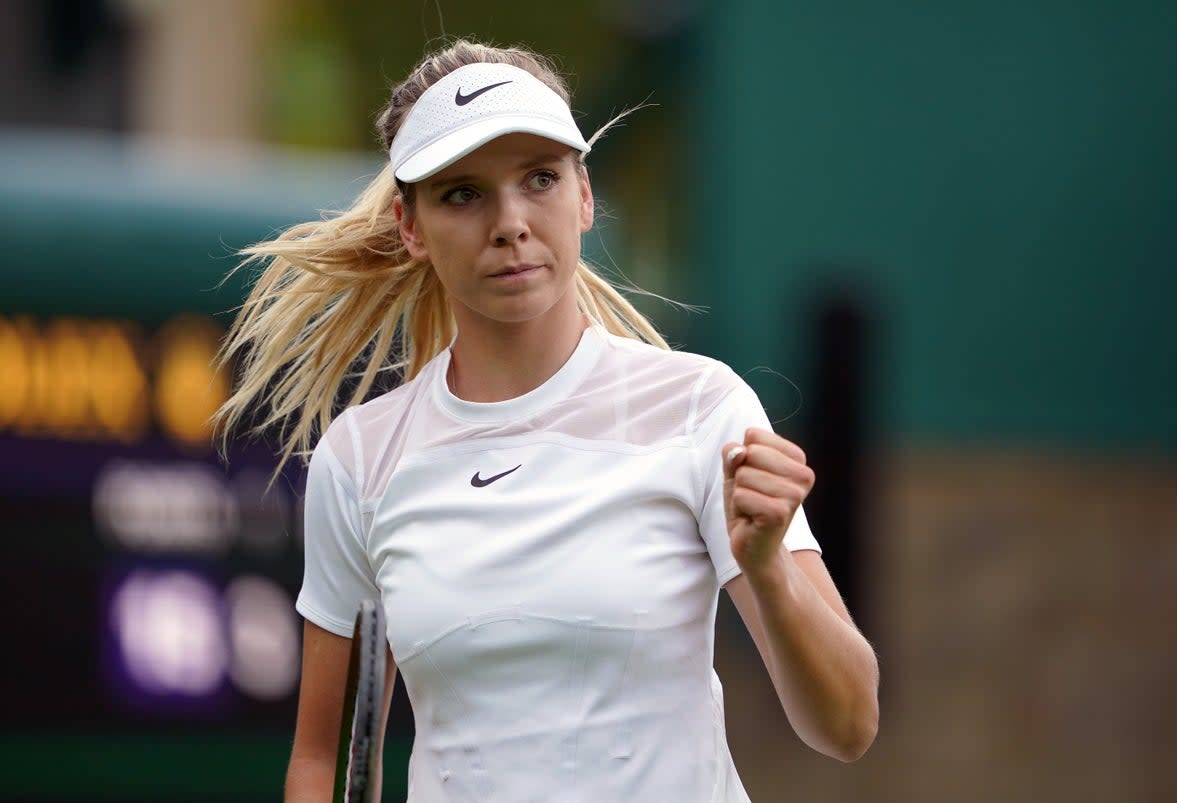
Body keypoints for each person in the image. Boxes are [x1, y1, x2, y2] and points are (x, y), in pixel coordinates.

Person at [214, 39, 878, 803]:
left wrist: (767, 573)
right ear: (411, 225)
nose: (511, 222)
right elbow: (318, 764)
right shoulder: (361, 459)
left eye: (540, 179)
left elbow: (849, 723)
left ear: (584, 195)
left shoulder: (703, 407)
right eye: (463, 193)